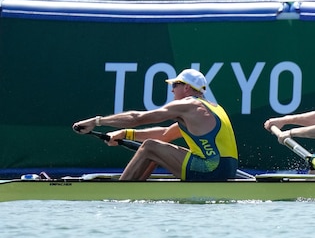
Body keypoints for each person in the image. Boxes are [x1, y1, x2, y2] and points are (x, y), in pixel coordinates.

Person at [72, 69, 239, 181]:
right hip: (226, 171)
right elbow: (166, 134)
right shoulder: (213, 108)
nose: (172, 90)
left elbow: (137, 117)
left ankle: (120, 191)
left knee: (150, 147)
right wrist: (125, 134)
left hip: (211, 169)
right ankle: (134, 187)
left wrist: (97, 121)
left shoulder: (187, 105)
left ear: (187, 87)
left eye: (175, 85)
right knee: (156, 148)